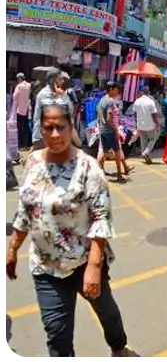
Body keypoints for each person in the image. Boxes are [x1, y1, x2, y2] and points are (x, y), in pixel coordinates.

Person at [5, 97, 139, 361]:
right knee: (57, 334)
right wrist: (13, 248)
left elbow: (101, 217)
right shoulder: (31, 162)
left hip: (84, 259)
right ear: (40, 129)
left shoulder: (88, 167)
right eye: (48, 127)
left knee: (106, 311)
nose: (55, 134)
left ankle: (119, 348)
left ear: (71, 128)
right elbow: (26, 208)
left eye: (61, 127)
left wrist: (94, 266)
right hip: (45, 266)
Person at [96, 82, 131, 181]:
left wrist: (100, 126)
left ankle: (97, 172)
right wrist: (115, 129)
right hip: (110, 130)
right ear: (111, 89)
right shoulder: (110, 101)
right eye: (116, 89)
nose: (118, 91)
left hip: (103, 130)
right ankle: (119, 174)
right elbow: (109, 118)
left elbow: (98, 115)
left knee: (104, 152)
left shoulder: (102, 100)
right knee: (117, 152)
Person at [131, 86, 161, 165]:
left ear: (142, 92)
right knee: (153, 139)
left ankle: (146, 155)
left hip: (140, 125)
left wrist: (136, 122)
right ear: (149, 92)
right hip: (150, 125)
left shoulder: (137, 101)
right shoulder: (151, 102)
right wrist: (158, 125)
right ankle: (146, 153)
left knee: (143, 141)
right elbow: (154, 115)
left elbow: (134, 113)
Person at [13, 73, 32, 151]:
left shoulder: (19, 86)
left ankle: (21, 143)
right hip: (27, 109)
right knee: (27, 126)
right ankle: (28, 142)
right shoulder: (29, 85)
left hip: (20, 110)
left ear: (19, 78)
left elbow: (14, 96)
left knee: (20, 127)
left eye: (18, 79)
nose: (17, 80)